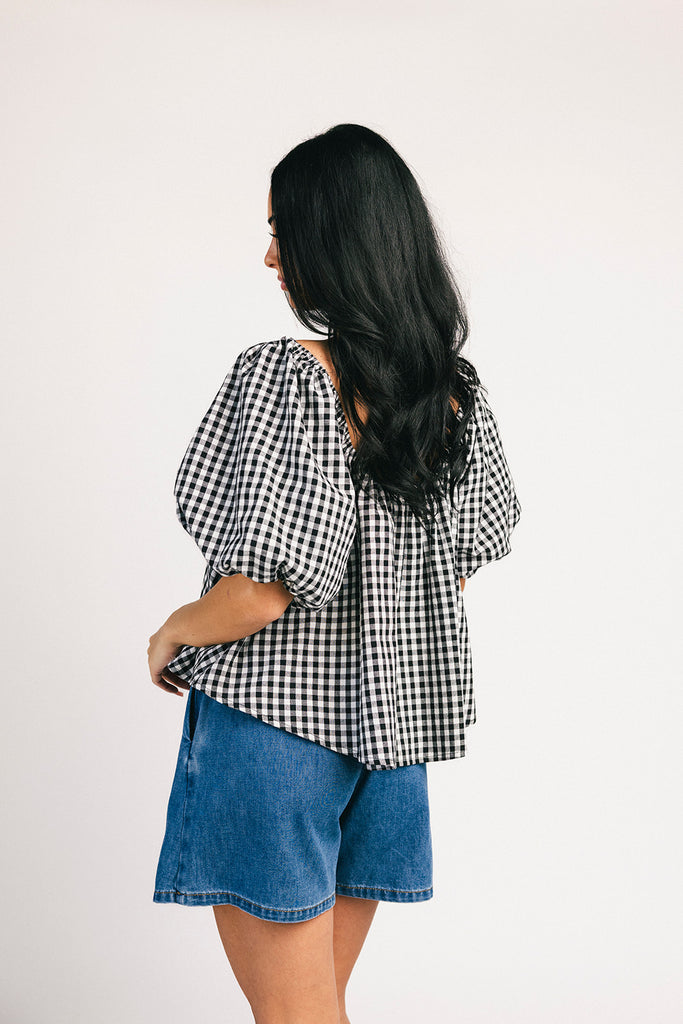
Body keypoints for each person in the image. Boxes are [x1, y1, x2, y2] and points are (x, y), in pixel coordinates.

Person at [148, 123, 521, 1024]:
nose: (270, 255)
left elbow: (268, 587)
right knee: (318, 1009)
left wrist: (172, 631)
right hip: (388, 749)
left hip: (278, 738)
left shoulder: (286, 378)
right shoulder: (449, 394)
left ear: (337, 238)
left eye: (286, 231)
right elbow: (457, 572)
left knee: (295, 1018)